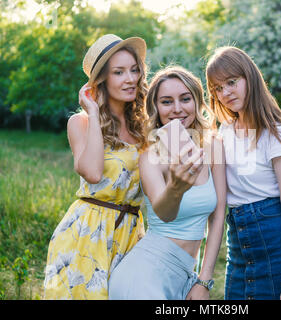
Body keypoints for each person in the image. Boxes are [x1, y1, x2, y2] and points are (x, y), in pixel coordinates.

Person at [205, 46, 281, 300]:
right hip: (239, 246)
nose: (225, 92)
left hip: (277, 246)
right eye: (217, 88)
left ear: (250, 77)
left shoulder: (279, 134)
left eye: (231, 82)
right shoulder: (223, 133)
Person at [43, 34, 149, 299]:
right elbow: (92, 173)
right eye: (119, 72)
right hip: (89, 233)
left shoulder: (143, 125)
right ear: (102, 80)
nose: (130, 78)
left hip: (131, 231)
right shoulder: (81, 123)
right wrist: (92, 111)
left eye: (134, 70)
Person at [108, 66, 227, 300]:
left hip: (186, 274)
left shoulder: (213, 146)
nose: (177, 109)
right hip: (143, 276)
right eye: (166, 102)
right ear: (156, 109)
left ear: (197, 101)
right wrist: (176, 186)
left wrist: (204, 280)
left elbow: (219, 213)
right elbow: (164, 213)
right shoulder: (150, 156)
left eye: (185, 99)